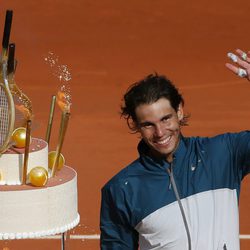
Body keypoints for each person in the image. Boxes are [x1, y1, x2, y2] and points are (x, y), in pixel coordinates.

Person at [100, 49, 250, 250]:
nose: (160, 132)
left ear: (179, 111)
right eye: (148, 125)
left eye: (165, 119)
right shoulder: (122, 189)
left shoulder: (224, 154)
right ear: (136, 125)